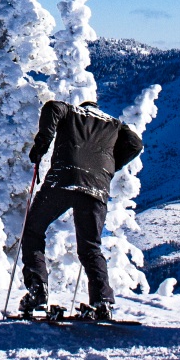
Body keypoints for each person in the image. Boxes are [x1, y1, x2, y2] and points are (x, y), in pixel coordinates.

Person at [17, 98, 144, 321]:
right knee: (90, 246)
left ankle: (38, 291)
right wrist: (109, 166)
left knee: (33, 231)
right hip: (97, 189)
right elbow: (135, 143)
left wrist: (42, 145)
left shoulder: (71, 111)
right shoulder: (114, 124)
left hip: (63, 179)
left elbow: (52, 107)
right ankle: (102, 301)